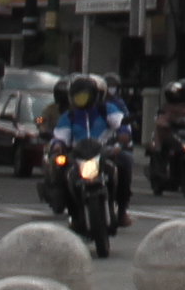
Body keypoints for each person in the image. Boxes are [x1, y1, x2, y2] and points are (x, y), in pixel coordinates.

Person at [44, 72, 131, 223]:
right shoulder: (69, 116)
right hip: (78, 156)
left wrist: (123, 135)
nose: (81, 99)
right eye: (78, 95)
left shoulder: (107, 109)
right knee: (62, 173)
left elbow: (121, 123)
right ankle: (74, 213)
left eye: (84, 95)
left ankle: (122, 211)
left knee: (125, 162)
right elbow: (60, 136)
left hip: (105, 152)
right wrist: (57, 146)